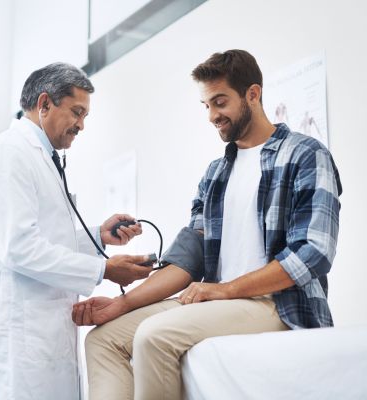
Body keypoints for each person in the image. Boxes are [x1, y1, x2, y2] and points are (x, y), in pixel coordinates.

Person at [72, 50, 342, 400]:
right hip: (220, 300)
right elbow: (189, 260)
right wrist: (120, 306)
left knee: (153, 336)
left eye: (220, 102)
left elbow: (313, 254)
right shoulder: (216, 174)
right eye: (206, 106)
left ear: (253, 94)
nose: (213, 115)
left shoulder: (306, 154)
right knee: (103, 339)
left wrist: (225, 289)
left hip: (279, 304)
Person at [0, 62, 153, 400]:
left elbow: (44, 238)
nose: (81, 125)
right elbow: (18, 247)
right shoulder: (10, 154)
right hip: (12, 341)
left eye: (85, 116)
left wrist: (97, 236)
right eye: (77, 112)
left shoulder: (41, 157)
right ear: (45, 104)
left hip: (40, 334)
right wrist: (105, 268)